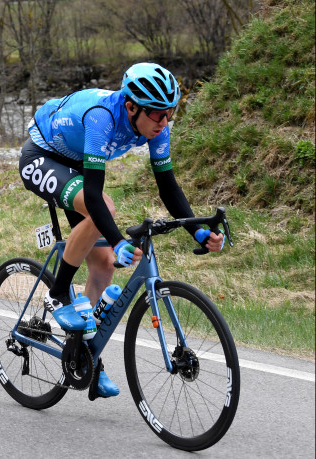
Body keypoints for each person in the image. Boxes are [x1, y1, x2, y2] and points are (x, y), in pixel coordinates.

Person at [19, 62, 225, 397]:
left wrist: (197, 231)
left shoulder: (157, 127)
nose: (164, 122)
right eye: (158, 114)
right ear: (131, 107)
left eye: (170, 113)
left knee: (102, 267)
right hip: (42, 156)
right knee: (106, 208)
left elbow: (168, 188)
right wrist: (116, 241)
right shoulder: (101, 117)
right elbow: (96, 196)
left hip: (76, 162)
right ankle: (57, 293)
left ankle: (84, 357)